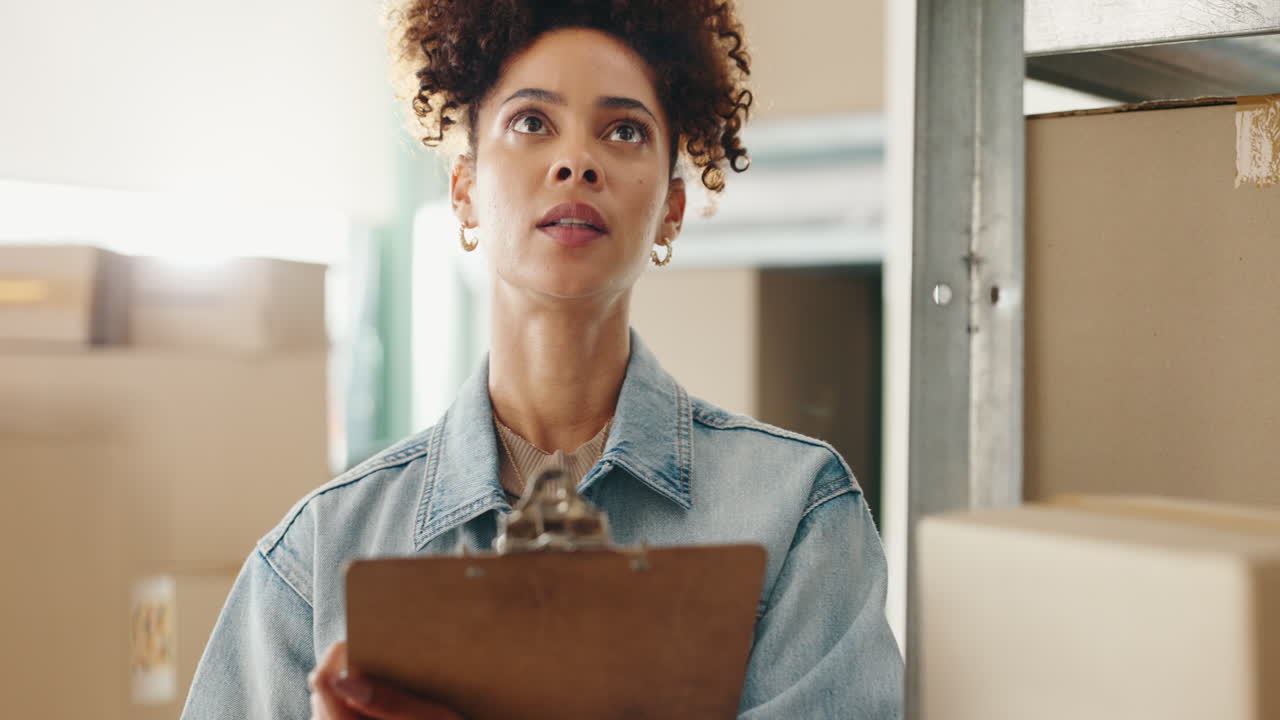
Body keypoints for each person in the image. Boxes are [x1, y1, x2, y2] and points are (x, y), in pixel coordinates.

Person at [181, 1, 904, 718]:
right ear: (464, 190)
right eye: (532, 122)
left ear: (671, 210)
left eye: (624, 130)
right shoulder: (317, 558)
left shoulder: (798, 512)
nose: (576, 161)